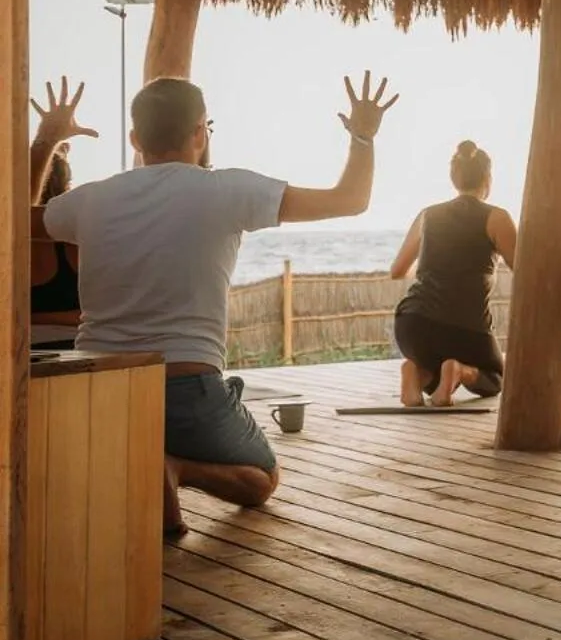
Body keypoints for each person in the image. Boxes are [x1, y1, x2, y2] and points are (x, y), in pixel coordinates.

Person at [32, 73, 397, 534]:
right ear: (200, 133)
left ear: (134, 138)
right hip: (186, 388)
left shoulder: (91, 199)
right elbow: (350, 200)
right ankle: (176, 468)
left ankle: (136, 457)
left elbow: (15, 219)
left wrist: (45, 141)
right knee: (263, 479)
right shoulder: (227, 189)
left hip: (101, 394)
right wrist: (363, 137)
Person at [389, 141, 515, 408]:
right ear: (488, 179)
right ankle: (458, 370)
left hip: (411, 325)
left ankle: (415, 373)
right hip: (463, 329)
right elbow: (523, 268)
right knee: (498, 379)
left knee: (432, 362)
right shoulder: (496, 217)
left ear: (454, 178)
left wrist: (435, 270)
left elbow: (397, 271)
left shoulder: (428, 215)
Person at [30, 144, 81, 349]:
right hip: (75, 350)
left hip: (16, 354)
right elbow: (89, 315)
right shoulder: (74, 240)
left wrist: (30, 318)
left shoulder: (10, 240)